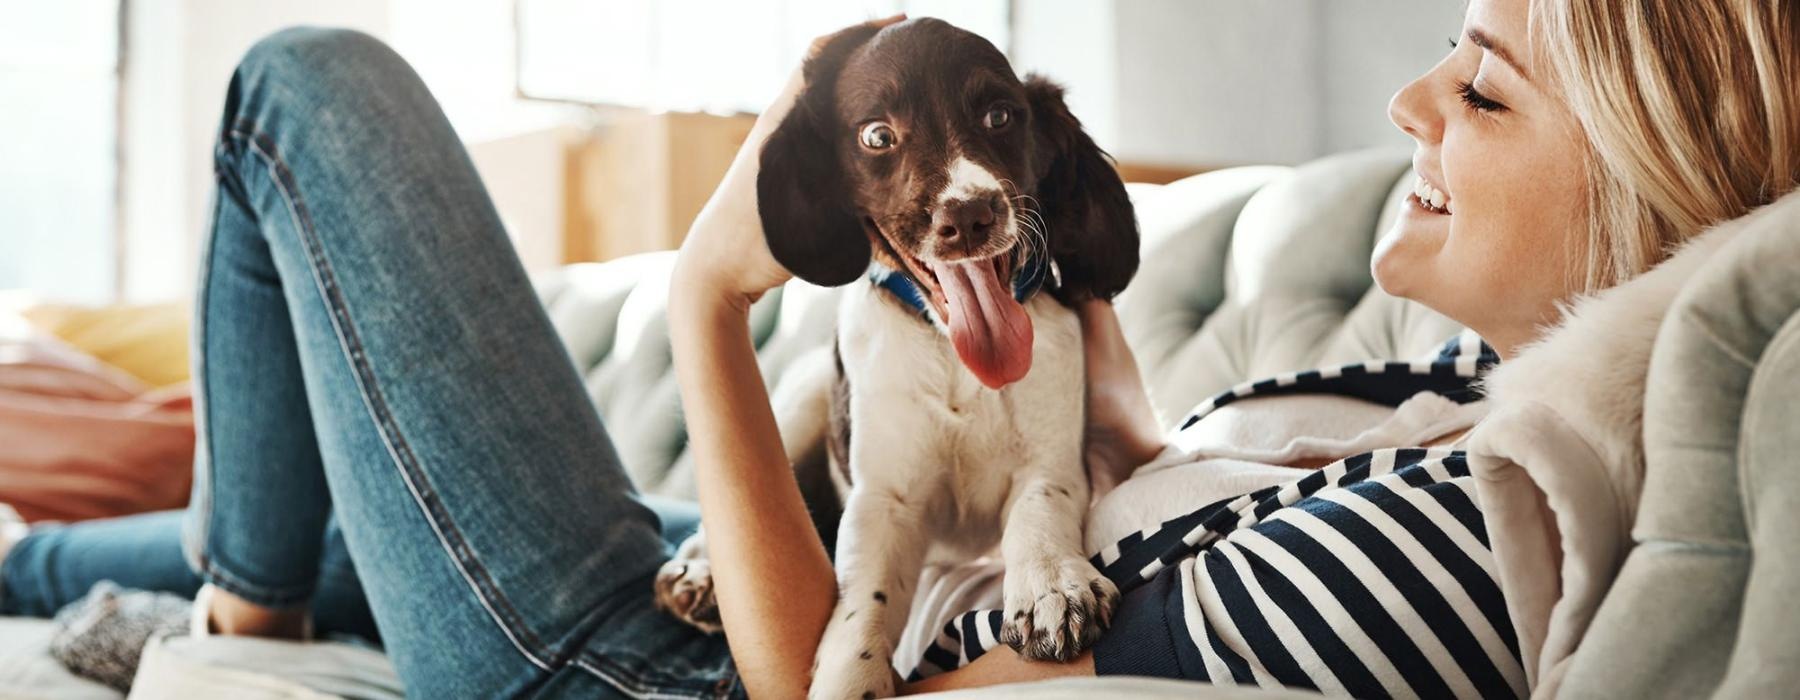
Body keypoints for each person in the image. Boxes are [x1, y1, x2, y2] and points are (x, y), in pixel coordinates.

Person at [1, 0, 1793, 697]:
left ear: (1652, 201)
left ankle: (226, 638)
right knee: (323, 510)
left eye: (1481, 88)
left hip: (672, 680)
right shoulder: (1412, 405)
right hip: (719, 575)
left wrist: (715, 298)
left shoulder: (1464, 538)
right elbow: (1110, 481)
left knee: (303, 91)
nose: (1408, 94)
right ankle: (67, 567)